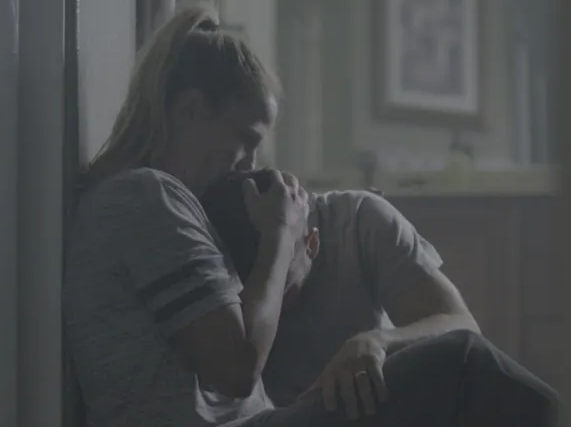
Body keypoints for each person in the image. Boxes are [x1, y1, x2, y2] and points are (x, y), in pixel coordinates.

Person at [64, 0, 555, 427]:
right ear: (192, 109)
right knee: (459, 367)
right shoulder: (146, 197)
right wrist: (280, 236)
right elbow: (236, 366)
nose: (250, 162)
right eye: (244, 137)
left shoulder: (171, 206)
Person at [201, 170, 489, 410]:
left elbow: (462, 328)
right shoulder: (211, 252)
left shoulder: (359, 220)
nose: (272, 304)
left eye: (282, 282)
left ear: (312, 244)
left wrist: (379, 342)